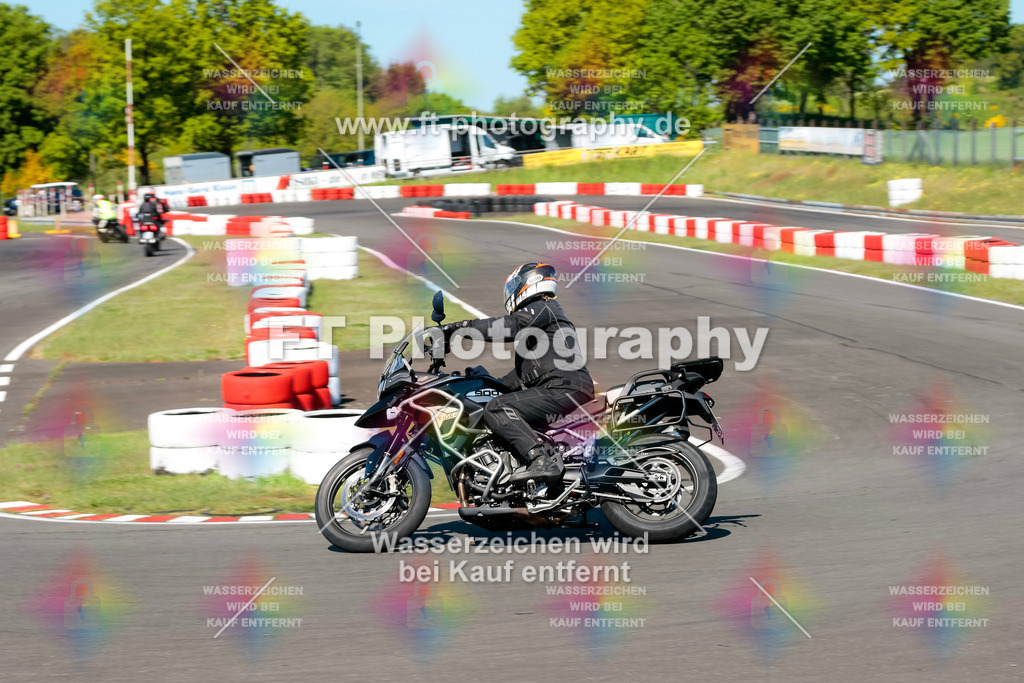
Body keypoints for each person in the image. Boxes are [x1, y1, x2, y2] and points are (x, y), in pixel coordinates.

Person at [441, 263, 594, 486]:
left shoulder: (543, 307)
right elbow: (519, 378)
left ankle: (541, 460)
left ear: (528, 283)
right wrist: (482, 381)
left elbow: (506, 327)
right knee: (496, 403)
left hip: (564, 388)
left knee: (497, 408)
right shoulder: (538, 326)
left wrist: (458, 328)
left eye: (513, 285)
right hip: (559, 387)